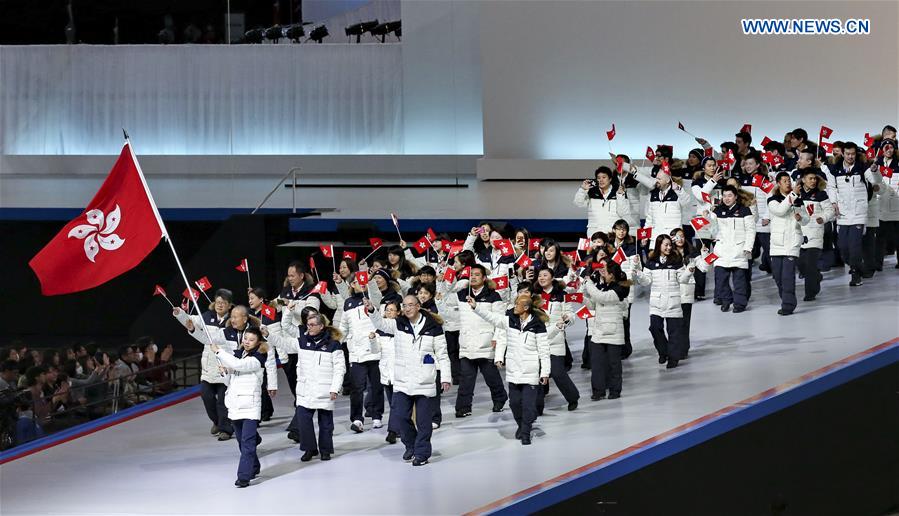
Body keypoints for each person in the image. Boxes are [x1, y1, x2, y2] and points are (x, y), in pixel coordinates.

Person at [367, 293, 450, 465]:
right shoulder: (398, 324)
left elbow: (442, 355)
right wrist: (372, 310)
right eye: (404, 305)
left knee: (424, 422)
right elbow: (380, 323)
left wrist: (446, 377)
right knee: (400, 417)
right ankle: (411, 445)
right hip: (403, 380)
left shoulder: (433, 327)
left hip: (425, 380)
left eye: (410, 305)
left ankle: (422, 453)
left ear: (418, 306)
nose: (407, 308)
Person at [467, 292, 550, 445]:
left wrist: (545, 372)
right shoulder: (509, 320)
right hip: (513, 371)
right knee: (514, 404)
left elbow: (544, 351)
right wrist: (476, 307)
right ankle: (522, 425)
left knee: (529, 406)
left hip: (531, 372)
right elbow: (492, 318)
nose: (514, 306)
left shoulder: (538, 325)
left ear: (525, 307)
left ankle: (525, 433)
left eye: (517, 304)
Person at [266, 311, 345, 462]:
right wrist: (268, 334)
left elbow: (340, 369)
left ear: (321, 326)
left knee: (326, 423)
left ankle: (326, 450)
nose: (309, 327)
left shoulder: (334, 345)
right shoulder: (302, 342)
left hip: (325, 389)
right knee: (303, 421)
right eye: (308, 325)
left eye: (313, 325)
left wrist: (335, 388)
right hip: (305, 389)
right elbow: (284, 342)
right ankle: (310, 449)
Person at [209, 326, 268, 488]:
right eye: (245, 338)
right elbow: (231, 381)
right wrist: (225, 373)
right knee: (243, 443)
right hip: (235, 405)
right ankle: (254, 467)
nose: (247, 342)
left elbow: (241, 366)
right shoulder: (238, 354)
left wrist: (219, 352)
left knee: (247, 442)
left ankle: (243, 477)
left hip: (250, 405)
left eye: (251, 340)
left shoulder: (259, 356)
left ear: (258, 342)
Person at [447, 264, 508, 417]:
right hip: (467, 343)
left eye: (477, 275)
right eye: (471, 274)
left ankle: (500, 398)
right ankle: (463, 407)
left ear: (484, 278)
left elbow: (500, 321)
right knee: (466, 379)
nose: (473, 277)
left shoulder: (493, 296)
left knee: (491, 378)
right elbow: (445, 301)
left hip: (486, 343)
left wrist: (496, 338)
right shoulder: (461, 294)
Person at [632, 234, 693, 369]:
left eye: (670, 245)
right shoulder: (651, 262)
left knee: (674, 332)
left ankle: (673, 358)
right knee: (655, 328)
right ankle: (663, 352)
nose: (669, 247)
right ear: (659, 245)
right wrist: (638, 272)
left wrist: (689, 271)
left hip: (673, 301)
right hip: (656, 302)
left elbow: (682, 279)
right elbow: (646, 281)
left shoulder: (676, 260)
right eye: (666, 245)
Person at [339, 277, 384, 433]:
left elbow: (377, 295)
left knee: (376, 385)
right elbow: (343, 327)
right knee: (356, 388)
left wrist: (370, 280)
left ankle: (377, 415)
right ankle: (357, 419)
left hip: (374, 349)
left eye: (364, 280)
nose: (362, 283)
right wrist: (337, 341)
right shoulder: (348, 303)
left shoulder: (373, 298)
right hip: (356, 353)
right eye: (358, 281)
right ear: (352, 284)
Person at [582, 258, 630, 400]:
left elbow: (601, 297)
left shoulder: (619, 289)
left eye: (606, 270)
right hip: (598, 331)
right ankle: (598, 391)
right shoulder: (602, 286)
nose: (603, 272)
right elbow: (593, 304)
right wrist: (582, 296)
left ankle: (615, 391)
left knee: (613, 364)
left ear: (613, 274)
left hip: (613, 332)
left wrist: (589, 283)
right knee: (596, 364)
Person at [532, 268, 579, 412]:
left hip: (556, 338)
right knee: (537, 373)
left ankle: (573, 397)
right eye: (539, 275)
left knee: (558, 372)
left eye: (545, 275)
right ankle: (537, 407)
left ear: (552, 278)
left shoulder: (562, 295)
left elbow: (570, 314)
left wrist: (568, 319)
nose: (541, 278)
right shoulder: (534, 296)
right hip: (537, 339)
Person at [831, 142, 878, 286]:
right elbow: (831, 187)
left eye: (853, 154)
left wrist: (875, 171)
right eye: (848, 154)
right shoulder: (836, 169)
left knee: (855, 246)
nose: (850, 156)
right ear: (843, 154)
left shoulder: (862, 167)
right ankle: (860, 267)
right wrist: (834, 203)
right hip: (843, 214)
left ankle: (856, 275)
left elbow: (875, 181)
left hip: (859, 213)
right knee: (843, 248)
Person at [707, 185, 756, 313]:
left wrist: (748, 247)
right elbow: (712, 230)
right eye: (724, 196)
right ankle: (726, 300)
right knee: (720, 279)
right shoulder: (717, 211)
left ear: (735, 197)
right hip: (722, 250)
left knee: (739, 281)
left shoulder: (745, 210)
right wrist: (708, 217)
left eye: (730, 195)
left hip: (739, 249)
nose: (727, 198)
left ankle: (740, 304)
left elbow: (751, 231)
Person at [766, 172, 805, 315]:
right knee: (777, 276)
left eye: (789, 180)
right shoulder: (772, 200)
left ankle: (788, 305)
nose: (788, 183)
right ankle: (787, 298)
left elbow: (806, 219)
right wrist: (793, 195)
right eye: (784, 181)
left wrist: (801, 218)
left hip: (792, 242)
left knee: (788, 276)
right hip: (777, 243)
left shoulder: (799, 200)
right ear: (778, 183)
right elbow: (780, 210)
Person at [796, 168, 835, 301]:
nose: (813, 181)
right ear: (803, 180)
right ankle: (817, 277)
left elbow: (830, 211)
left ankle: (810, 293)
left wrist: (823, 218)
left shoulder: (821, 194)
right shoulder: (796, 194)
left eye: (815, 179)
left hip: (815, 234)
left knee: (811, 265)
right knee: (801, 264)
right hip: (799, 235)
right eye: (810, 178)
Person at [573, 166, 631, 237]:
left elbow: (623, 213)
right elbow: (579, 203)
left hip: (612, 233)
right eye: (598, 178)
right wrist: (583, 190)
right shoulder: (592, 192)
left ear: (610, 179)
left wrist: (620, 195)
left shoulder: (618, 191)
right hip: (594, 233)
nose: (601, 180)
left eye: (604, 177)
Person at [374, 299, 401, 444]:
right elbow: (375, 350)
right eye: (387, 310)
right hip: (386, 373)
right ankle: (401, 428)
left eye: (392, 309)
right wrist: (372, 340)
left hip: (400, 372)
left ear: (398, 312)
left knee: (397, 403)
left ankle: (392, 431)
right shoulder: (379, 331)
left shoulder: (402, 328)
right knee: (393, 404)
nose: (389, 312)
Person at [876, 139, 899, 267]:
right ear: (882, 149)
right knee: (880, 237)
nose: (889, 150)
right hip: (881, 206)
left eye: (891, 147)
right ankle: (878, 263)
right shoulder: (876, 164)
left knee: (898, 237)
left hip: (897, 205)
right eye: (886, 147)